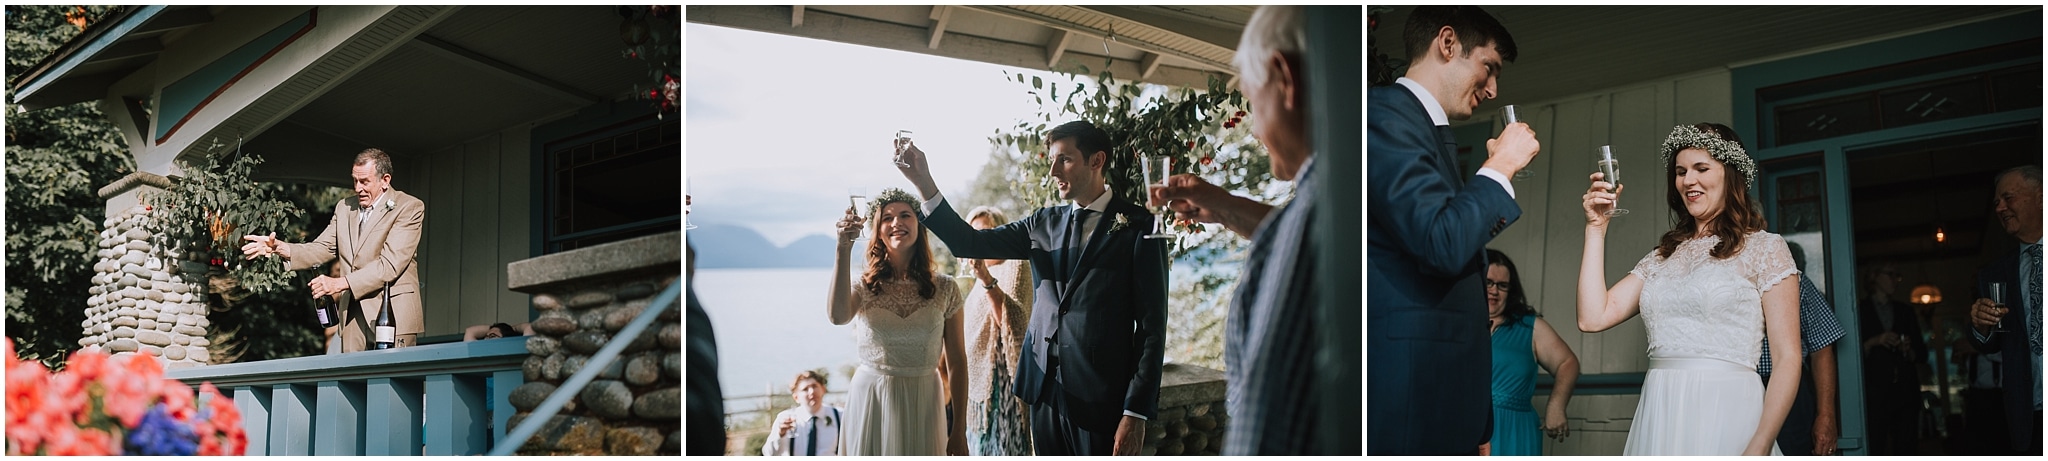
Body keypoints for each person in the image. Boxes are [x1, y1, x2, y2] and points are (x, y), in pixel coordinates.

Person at [896, 120, 1169, 456]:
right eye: (1051, 160)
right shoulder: (1042, 223)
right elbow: (969, 242)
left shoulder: (1141, 226)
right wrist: (924, 182)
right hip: (1042, 391)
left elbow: (1152, 328)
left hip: (1102, 397)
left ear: (1097, 161)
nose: (1053, 170)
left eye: (1064, 160)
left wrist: (1136, 411)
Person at [1146, 5, 1342, 454]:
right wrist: (1226, 206)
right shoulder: (1336, 201)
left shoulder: (1317, 212)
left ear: (1284, 79)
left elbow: (1272, 418)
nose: (1254, 128)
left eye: (1254, 100)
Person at [1364, 6, 1537, 455]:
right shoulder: (1381, 114)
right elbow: (1441, 242)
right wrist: (1501, 166)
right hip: (1407, 403)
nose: (1494, 88)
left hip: (1447, 408)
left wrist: (1479, 424)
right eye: (1489, 67)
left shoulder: (1427, 134)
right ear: (1447, 43)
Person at [1576, 123, 1800, 455]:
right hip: (1661, 413)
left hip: (1729, 412)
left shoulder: (1765, 249)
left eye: (1701, 168)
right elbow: (1592, 317)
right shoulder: (1661, 257)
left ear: (1730, 174)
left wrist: (1761, 442)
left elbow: (1788, 357)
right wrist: (1596, 228)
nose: (1688, 180)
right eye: (1680, 171)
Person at [825, 188, 967, 456]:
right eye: (887, 218)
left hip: (924, 400)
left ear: (919, 224)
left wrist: (958, 429)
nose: (896, 223)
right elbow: (837, 316)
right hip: (872, 401)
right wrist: (843, 247)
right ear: (877, 230)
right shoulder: (864, 286)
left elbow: (958, 362)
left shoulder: (946, 288)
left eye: (905, 215)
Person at [241, 148, 424, 353]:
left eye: (364, 182)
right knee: (352, 382)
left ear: (385, 180)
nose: (358, 188)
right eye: (354, 181)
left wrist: (338, 284)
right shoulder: (344, 207)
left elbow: (389, 266)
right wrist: (281, 248)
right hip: (353, 316)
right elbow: (323, 247)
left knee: (394, 382)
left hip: (393, 315)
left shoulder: (409, 207)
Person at [1967, 165, 2043, 455]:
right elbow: (1990, 343)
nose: (1999, 208)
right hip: (2031, 417)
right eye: (1996, 202)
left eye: (2007, 198)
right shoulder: (1995, 273)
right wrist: (1981, 325)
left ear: (2040, 197)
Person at [1480, 249, 1579, 456]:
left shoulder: (1529, 327)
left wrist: (1556, 405)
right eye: (1488, 282)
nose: (1494, 291)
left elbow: (1567, 362)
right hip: (1463, 424)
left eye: (1502, 285)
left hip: (1515, 429)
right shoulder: (1457, 326)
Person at [1758, 242, 1846, 456]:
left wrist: (1826, 415)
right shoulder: (1721, 285)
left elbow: (1822, 348)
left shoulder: (1794, 281)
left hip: (1790, 389)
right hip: (1736, 388)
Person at [959, 206, 1034, 455]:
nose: (977, 240)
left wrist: (985, 277)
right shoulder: (975, 279)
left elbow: (1014, 322)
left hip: (1003, 382)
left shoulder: (1016, 265)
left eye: (985, 233)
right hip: (978, 389)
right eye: (972, 233)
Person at [1858, 262, 1925, 455]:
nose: (1895, 280)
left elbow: (1922, 354)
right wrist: (1874, 341)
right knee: (1875, 445)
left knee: (1907, 446)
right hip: (1874, 394)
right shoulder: (1859, 310)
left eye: (1898, 275)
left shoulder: (1905, 311)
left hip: (1905, 393)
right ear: (1874, 277)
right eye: (1890, 274)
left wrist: (1908, 349)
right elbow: (1849, 356)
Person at [763, 371, 846, 456]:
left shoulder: (839, 415)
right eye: (805, 389)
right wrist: (780, 434)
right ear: (796, 397)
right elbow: (769, 454)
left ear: (823, 389)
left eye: (815, 386)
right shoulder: (785, 418)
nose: (811, 392)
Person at [463, 322, 529, 341]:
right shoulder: (481, 351)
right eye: (486, 337)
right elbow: (470, 331)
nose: (487, 339)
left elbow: (529, 327)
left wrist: (512, 328)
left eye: (492, 336)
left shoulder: (515, 350)